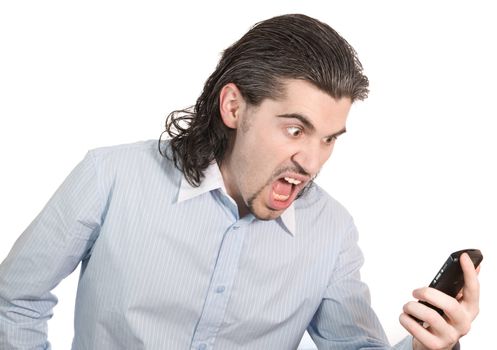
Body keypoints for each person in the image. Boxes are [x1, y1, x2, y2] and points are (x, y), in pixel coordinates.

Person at [0, 14, 480, 350]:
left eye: (330, 139)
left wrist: (429, 349)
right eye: (296, 130)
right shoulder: (112, 176)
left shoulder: (331, 232)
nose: (311, 161)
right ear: (234, 107)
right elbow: (14, 301)